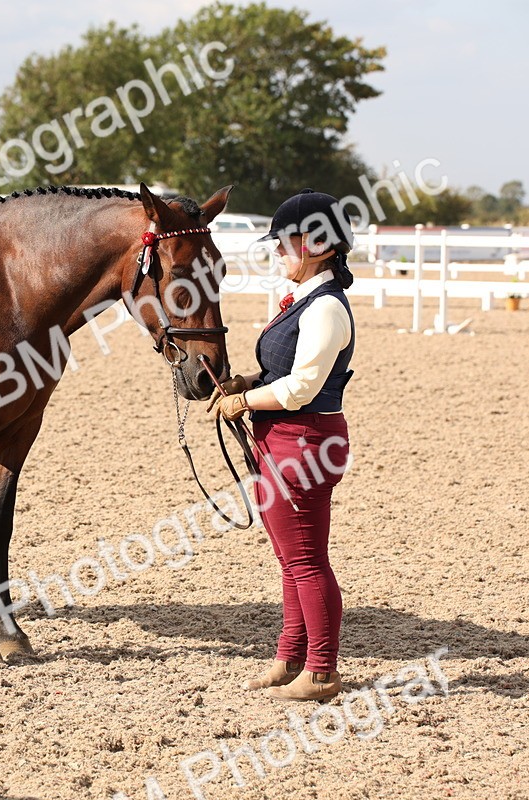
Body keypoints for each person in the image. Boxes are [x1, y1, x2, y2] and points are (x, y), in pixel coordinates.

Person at [207, 189, 355, 701]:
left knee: (307, 560)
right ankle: (291, 656)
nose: (276, 253)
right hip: (286, 439)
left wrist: (245, 404)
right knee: (291, 558)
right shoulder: (306, 301)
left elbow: (301, 388)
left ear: (315, 245)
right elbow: (282, 373)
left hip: (305, 441)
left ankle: (321, 671)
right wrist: (246, 382)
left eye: (284, 244)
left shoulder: (326, 309)